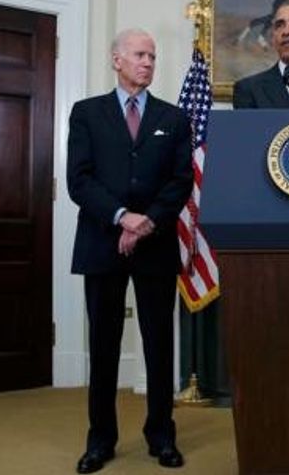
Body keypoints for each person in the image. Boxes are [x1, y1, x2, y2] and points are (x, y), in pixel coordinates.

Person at [67, 29, 193, 473]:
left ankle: (161, 436)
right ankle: (100, 440)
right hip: (103, 241)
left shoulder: (174, 118)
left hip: (155, 243)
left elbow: (180, 181)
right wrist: (123, 217)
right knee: (103, 344)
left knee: (159, 344)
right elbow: (78, 181)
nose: (148, 62)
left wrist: (146, 223)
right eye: (140, 54)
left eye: (153, 56)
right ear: (116, 59)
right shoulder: (86, 114)